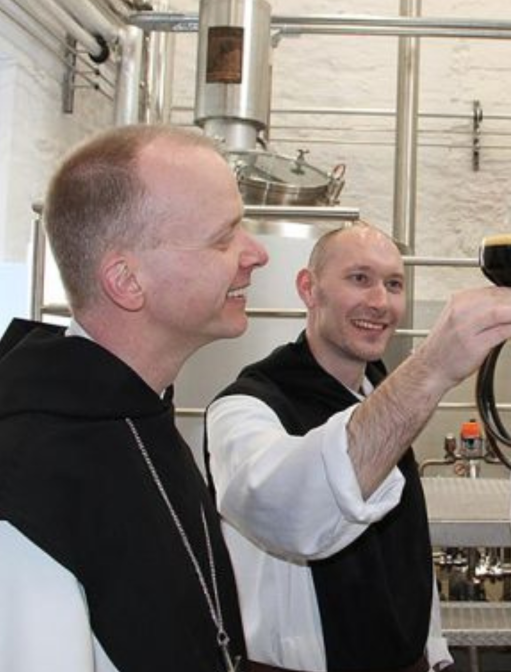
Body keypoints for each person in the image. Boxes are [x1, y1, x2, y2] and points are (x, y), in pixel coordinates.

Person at [205, 223, 511, 672]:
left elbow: (405, 549)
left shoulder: (382, 392)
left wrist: (434, 648)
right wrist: (432, 366)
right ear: (309, 289)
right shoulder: (245, 407)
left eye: (394, 284)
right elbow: (290, 513)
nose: (380, 303)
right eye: (359, 279)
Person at [0, 124, 269, 672]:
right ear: (127, 280)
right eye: (224, 238)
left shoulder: (136, 411)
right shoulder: (27, 473)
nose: (257, 254)